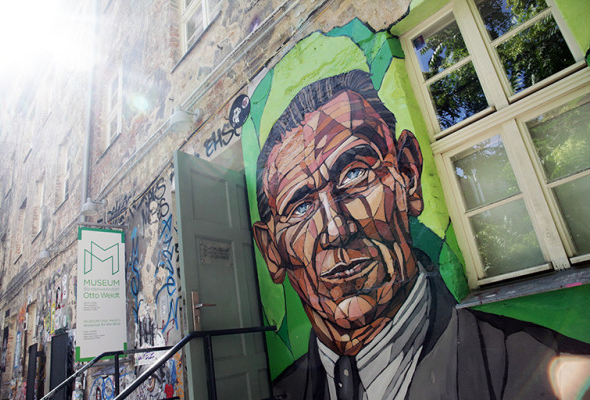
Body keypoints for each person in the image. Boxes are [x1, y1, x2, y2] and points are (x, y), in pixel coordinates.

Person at [251, 70, 590, 399]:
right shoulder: (284, 390)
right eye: (300, 207)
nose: (336, 229)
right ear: (271, 251)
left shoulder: (544, 369)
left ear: (408, 174)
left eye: (355, 174)